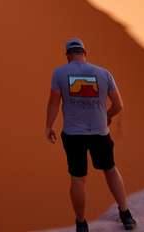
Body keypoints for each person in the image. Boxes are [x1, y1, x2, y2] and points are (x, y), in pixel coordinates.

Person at [46, 37, 135, 231]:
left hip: (73, 134)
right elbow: (118, 105)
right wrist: (107, 116)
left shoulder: (59, 73)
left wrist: (49, 126)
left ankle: (81, 223)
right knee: (110, 170)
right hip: (100, 133)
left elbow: (54, 102)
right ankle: (126, 214)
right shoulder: (103, 73)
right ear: (84, 53)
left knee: (78, 178)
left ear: (68, 55)